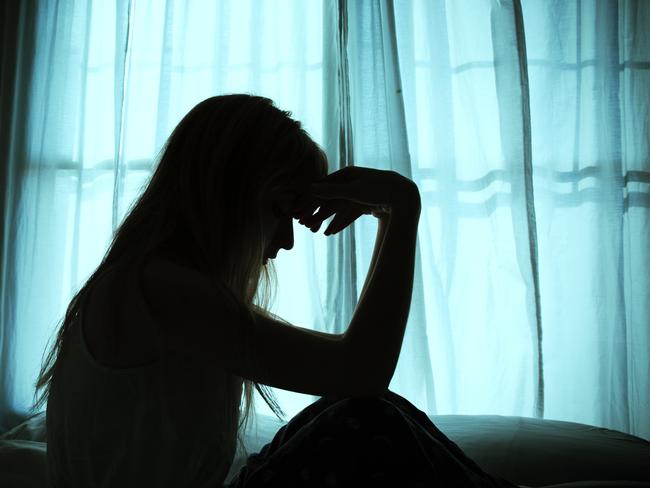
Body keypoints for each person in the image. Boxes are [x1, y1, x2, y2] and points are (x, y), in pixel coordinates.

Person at [33, 95, 517, 487]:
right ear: (230, 196)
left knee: (357, 410)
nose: (286, 240)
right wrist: (400, 207)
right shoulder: (157, 290)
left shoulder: (153, 285)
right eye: (279, 209)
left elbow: (354, 377)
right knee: (365, 421)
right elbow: (362, 369)